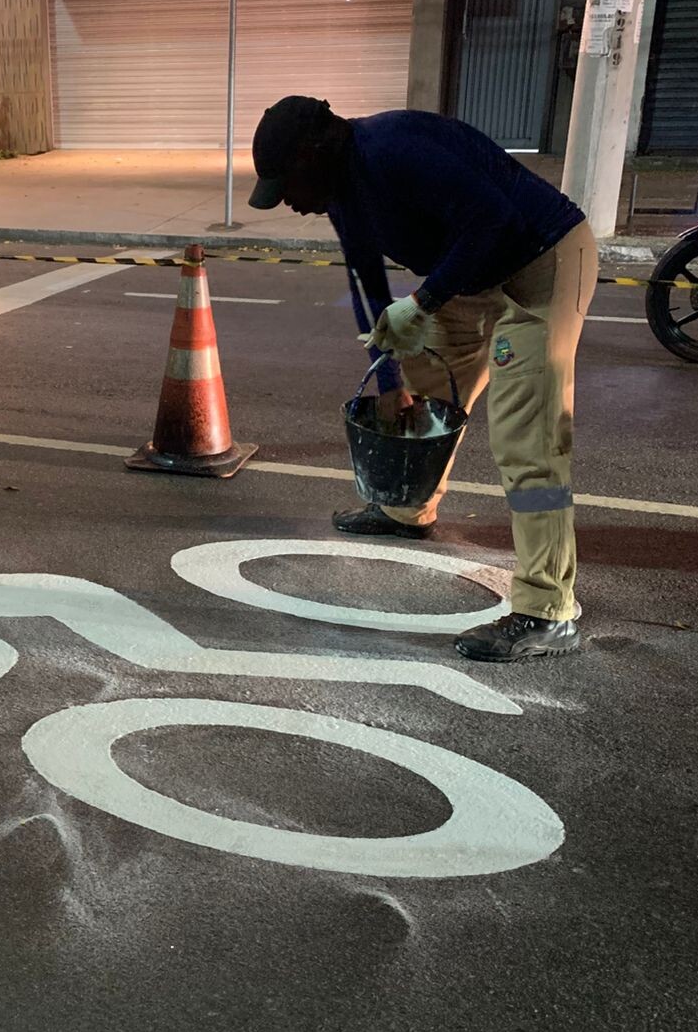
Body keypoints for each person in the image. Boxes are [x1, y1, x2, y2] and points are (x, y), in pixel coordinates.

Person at [248, 97, 598, 662]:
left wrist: (426, 300)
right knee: (426, 388)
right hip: (469, 272)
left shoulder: (395, 148)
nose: (289, 201)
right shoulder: (342, 191)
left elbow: (493, 220)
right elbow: (367, 281)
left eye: (287, 185)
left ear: (314, 153)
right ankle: (406, 509)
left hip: (541, 261)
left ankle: (548, 609)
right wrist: (389, 380)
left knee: (527, 439)